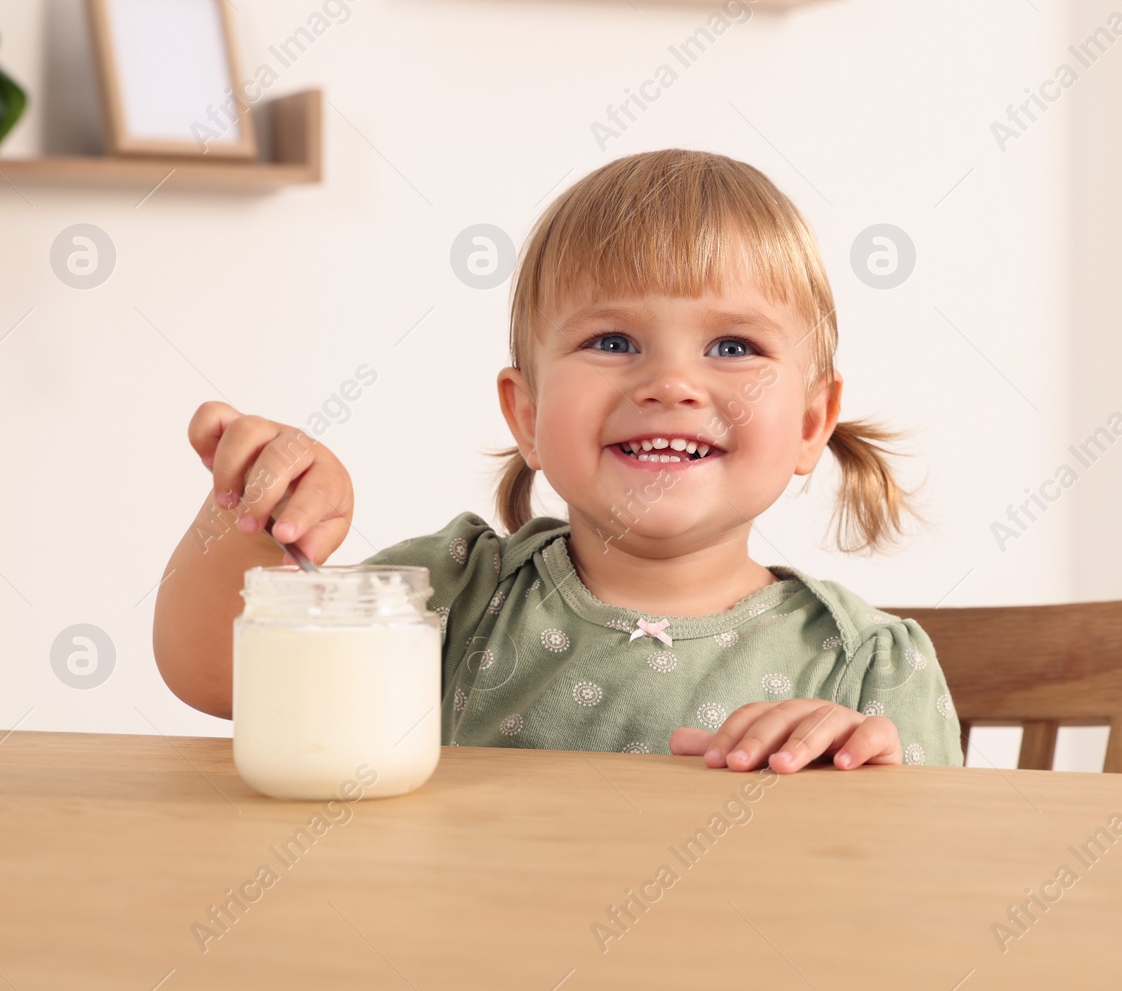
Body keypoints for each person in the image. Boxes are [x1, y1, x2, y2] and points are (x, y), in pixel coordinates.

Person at [153, 148, 962, 771]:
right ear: (528, 414)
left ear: (812, 421)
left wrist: (864, 770)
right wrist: (252, 510)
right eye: (613, 341)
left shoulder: (871, 667)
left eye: (733, 344)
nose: (672, 383)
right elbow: (218, 676)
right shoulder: (455, 596)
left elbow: (927, 888)